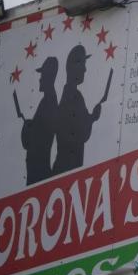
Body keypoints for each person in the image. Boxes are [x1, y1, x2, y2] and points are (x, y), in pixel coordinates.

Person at [52, 44, 104, 175]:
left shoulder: (75, 95)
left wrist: (93, 117)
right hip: (65, 169)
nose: (85, 69)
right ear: (72, 67)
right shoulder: (71, 96)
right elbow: (78, 134)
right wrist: (92, 118)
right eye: (82, 64)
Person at [20, 57, 59, 185]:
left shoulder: (49, 102)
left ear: (49, 76)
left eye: (42, 75)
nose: (40, 79)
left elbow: (35, 141)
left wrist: (28, 128)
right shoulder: (47, 101)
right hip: (36, 173)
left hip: (39, 174)